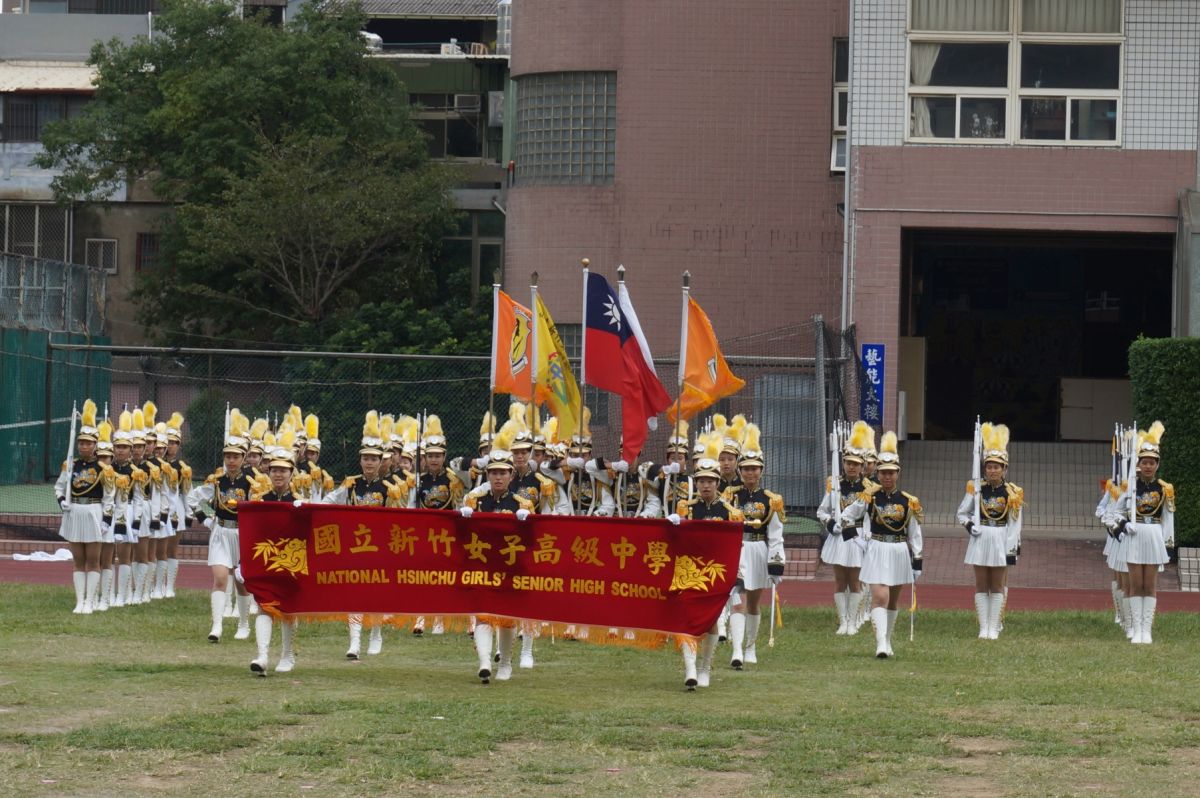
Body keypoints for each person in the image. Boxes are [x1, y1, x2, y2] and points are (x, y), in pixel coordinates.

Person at [669, 433, 744, 690]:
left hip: (715, 573)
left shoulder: (731, 513)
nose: (705, 486)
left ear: (717, 483)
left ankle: (704, 667)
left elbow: (737, 547)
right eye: (701, 480)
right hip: (688, 570)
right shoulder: (684, 508)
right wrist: (672, 526)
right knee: (685, 620)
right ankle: (689, 668)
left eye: (710, 481)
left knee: (711, 622)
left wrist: (738, 574)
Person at [459, 434, 535, 683]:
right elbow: (460, 535)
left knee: (506, 618)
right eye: (494, 473)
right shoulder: (475, 501)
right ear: (487, 475)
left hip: (509, 567)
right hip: (482, 565)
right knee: (482, 614)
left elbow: (533, 540)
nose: (498, 477)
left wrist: (527, 522)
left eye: (503, 472)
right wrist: (463, 518)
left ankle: (505, 662)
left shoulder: (522, 503)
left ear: (511, 476)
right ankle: (484, 662)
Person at [840, 431, 923, 659]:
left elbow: (915, 533)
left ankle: (887, 639)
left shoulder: (908, 501)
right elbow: (847, 515)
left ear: (897, 474)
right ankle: (880, 644)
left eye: (891, 473)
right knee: (880, 596)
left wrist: (917, 559)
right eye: (883, 473)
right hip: (876, 549)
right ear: (877, 473)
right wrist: (855, 539)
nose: (887, 477)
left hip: (898, 550)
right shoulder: (870, 497)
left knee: (894, 599)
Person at [187, 409, 261, 642]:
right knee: (220, 578)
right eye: (227, 456)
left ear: (243, 457)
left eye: (235, 456)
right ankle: (216, 626)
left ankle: (243, 624)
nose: (231, 460)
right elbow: (193, 497)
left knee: (241, 582)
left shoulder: (252, 482)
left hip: (242, 534)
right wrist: (206, 519)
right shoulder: (216, 481)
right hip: (220, 532)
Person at [323, 411, 392, 659]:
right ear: (360, 460)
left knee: (373, 594)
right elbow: (328, 502)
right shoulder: (350, 484)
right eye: (366, 458)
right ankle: (354, 642)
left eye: (374, 458)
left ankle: (375, 633)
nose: (370, 463)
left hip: (380, 548)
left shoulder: (390, 489)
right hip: (354, 546)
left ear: (382, 461)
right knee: (354, 593)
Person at [1104, 422, 1173, 645]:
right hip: (1134, 535)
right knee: (1135, 584)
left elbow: (1168, 518)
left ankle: (1147, 629)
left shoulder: (1164, 488)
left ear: (1157, 465)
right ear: (1139, 464)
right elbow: (1115, 513)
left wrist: (1167, 543)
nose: (1148, 466)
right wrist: (1124, 525)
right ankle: (1135, 628)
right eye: (1144, 462)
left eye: (1152, 463)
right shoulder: (1129, 487)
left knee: (1149, 585)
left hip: (1153, 534)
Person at [725, 423, 785, 669]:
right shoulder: (729, 495)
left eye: (754, 469)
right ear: (739, 470)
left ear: (761, 470)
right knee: (736, 599)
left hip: (759, 550)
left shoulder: (771, 500)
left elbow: (776, 534)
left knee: (753, 602)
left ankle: (750, 647)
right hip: (735, 550)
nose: (750, 473)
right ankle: (737, 649)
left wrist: (776, 563)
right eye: (746, 469)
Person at [956, 423, 1023, 640]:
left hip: (1001, 538)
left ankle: (994, 626)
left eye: (997, 467)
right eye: (989, 466)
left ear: (1005, 469)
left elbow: (1015, 523)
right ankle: (983, 626)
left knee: (997, 585)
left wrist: (1011, 548)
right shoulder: (976, 488)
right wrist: (969, 526)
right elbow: (961, 513)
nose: (992, 470)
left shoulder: (1012, 492)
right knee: (981, 584)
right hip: (981, 537)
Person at [54, 400, 115, 614]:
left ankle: (90, 600)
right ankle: (79, 600)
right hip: (74, 513)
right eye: (81, 442)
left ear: (96, 445)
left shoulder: (103, 469)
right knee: (78, 560)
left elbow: (109, 497)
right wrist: (62, 502)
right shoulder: (70, 465)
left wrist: (106, 520)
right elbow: (60, 487)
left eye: (88, 443)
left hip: (93, 513)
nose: (84, 446)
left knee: (93, 560)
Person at [248, 430, 302, 675]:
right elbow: (251, 534)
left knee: (288, 609)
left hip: (292, 561)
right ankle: (262, 655)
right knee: (263, 606)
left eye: (283, 470)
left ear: (292, 473)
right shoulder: (260, 501)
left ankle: (288, 654)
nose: (278, 474)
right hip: (266, 561)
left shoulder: (301, 501)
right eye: (274, 470)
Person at [816, 420, 875, 635]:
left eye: (856, 464)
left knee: (856, 580)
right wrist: (831, 524)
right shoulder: (834, 484)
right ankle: (843, 620)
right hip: (839, 536)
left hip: (858, 535)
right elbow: (822, 511)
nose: (851, 467)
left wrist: (866, 535)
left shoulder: (868, 487)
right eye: (848, 462)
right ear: (843, 463)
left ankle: (853, 621)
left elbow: (868, 514)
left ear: (862, 466)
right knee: (840, 580)